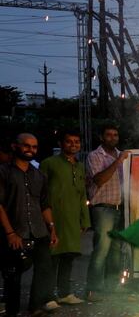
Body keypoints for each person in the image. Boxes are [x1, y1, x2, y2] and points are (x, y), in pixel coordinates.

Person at [0, 133, 59, 317]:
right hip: (15, 231)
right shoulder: (4, 172)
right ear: (15, 146)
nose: (30, 150)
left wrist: (52, 229)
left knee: (44, 270)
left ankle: (35, 311)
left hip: (39, 231)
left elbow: (44, 205)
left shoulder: (39, 175)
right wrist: (10, 233)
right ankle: (11, 314)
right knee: (13, 274)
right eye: (26, 146)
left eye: (34, 146)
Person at [39, 130, 91, 305]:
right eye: (69, 142)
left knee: (69, 256)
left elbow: (82, 195)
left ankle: (64, 293)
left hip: (73, 218)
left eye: (76, 142)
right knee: (52, 258)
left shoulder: (80, 166)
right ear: (61, 143)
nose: (73, 145)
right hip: (54, 217)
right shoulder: (49, 164)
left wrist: (85, 219)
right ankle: (46, 296)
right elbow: (40, 193)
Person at [85, 125, 129, 301]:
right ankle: (93, 290)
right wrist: (118, 161)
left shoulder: (123, 156)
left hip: (119, 208)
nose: (112, 137)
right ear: (101, 137)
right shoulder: (94, 156)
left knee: (116, 251)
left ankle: (112, 287)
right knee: (101, 249)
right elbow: (99, 179)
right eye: (108, 135)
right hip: (102, 208)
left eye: (115, 135)